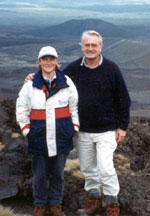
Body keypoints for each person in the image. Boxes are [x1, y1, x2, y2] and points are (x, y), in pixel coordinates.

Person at [24, 31, 131, 216]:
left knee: (105, 167)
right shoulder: (73, 69)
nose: (90, 49)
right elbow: (53, 81)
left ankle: (112, 203)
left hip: (107, 129)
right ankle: (95, 200)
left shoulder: (112, 68)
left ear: (100, 47)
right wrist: (34, 78)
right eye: (87, 45)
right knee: (88, 168)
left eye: (94, 45)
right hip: (82, 130)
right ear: (82, 47)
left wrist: (123, 127)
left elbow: (123, 99)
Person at [16, 46, 79, 216]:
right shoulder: (30, 85)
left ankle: (55, 205)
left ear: (57, 62)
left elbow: (74, 107)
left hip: (61, 137)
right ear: (39, 62)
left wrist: (73, 128)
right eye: (45, 59)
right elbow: (21, 109)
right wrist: (27, 130)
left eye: (52, 59)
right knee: (40, 175)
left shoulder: (66, 82)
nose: (48, 62)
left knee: (58, 174)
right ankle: (40, 205)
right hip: (38, 138)